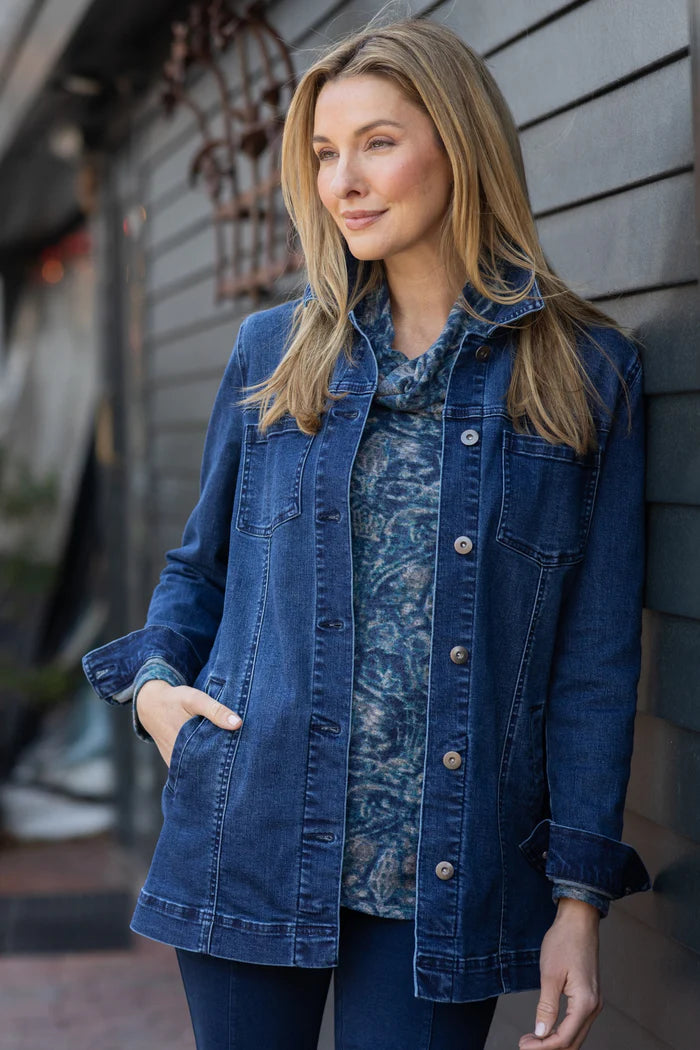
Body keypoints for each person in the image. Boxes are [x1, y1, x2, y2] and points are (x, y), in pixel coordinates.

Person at [82, 16, 653, 1050]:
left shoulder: (584, 374)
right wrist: (157, 695)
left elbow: (595, 662)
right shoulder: (274, 352)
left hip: (446, 874)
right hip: (252, 838)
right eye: (323, 153)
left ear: (460, 147)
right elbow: (199, 572)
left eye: (377, 143)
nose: (343, 181)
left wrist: (578, 903)